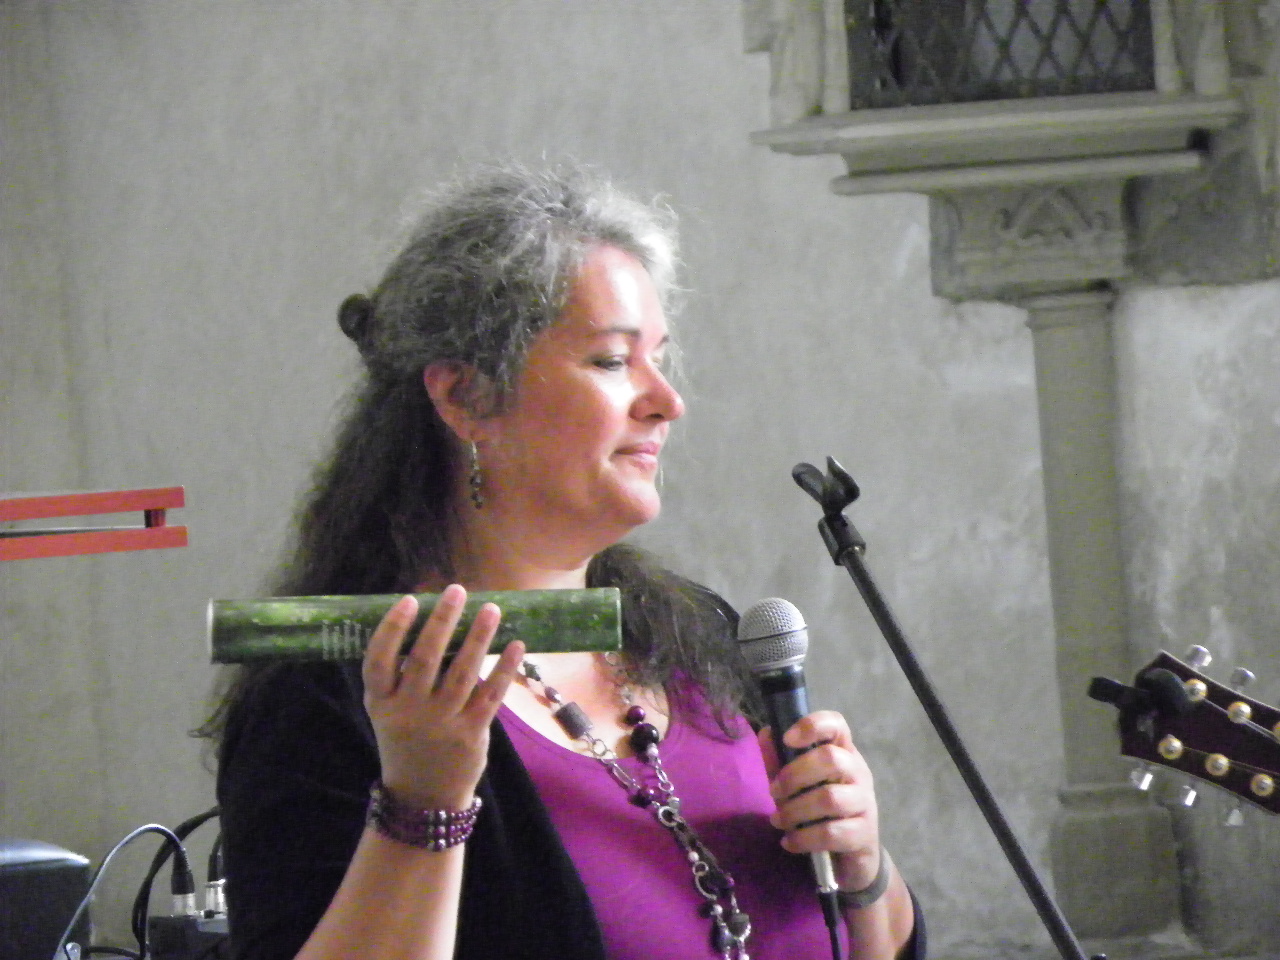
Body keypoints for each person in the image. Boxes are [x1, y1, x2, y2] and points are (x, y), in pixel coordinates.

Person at [207, 163, 924, 960]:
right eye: (613, 361)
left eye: (659, 358)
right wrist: (421, 806)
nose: (666, 401)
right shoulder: (336, 691)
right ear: (465, 398)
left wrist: (863, 869)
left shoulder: (701, 637)